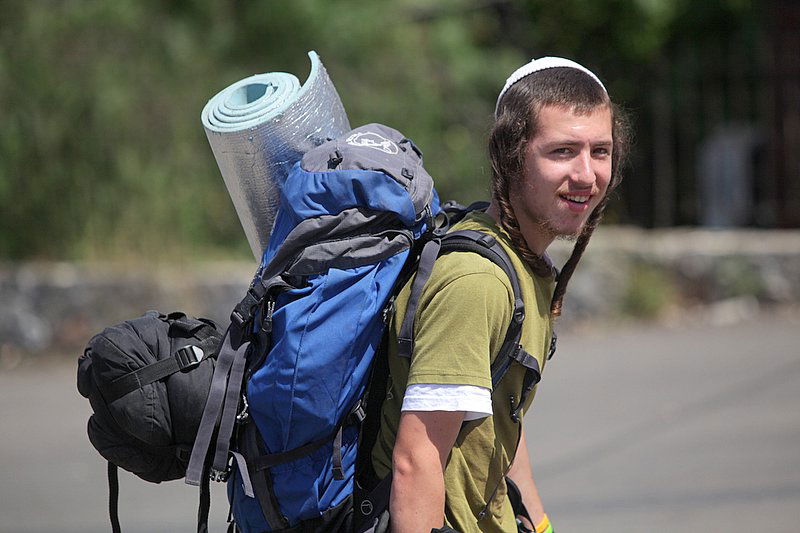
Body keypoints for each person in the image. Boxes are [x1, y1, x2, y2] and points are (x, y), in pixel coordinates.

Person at [370, 56, 630, 533]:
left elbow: (500, 416)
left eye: (600, 151)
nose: (587, 174)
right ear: (511, 157)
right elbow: (416, 461)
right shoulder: (478, 282)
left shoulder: (523, 263)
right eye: (562, 151)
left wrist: (541, 524)